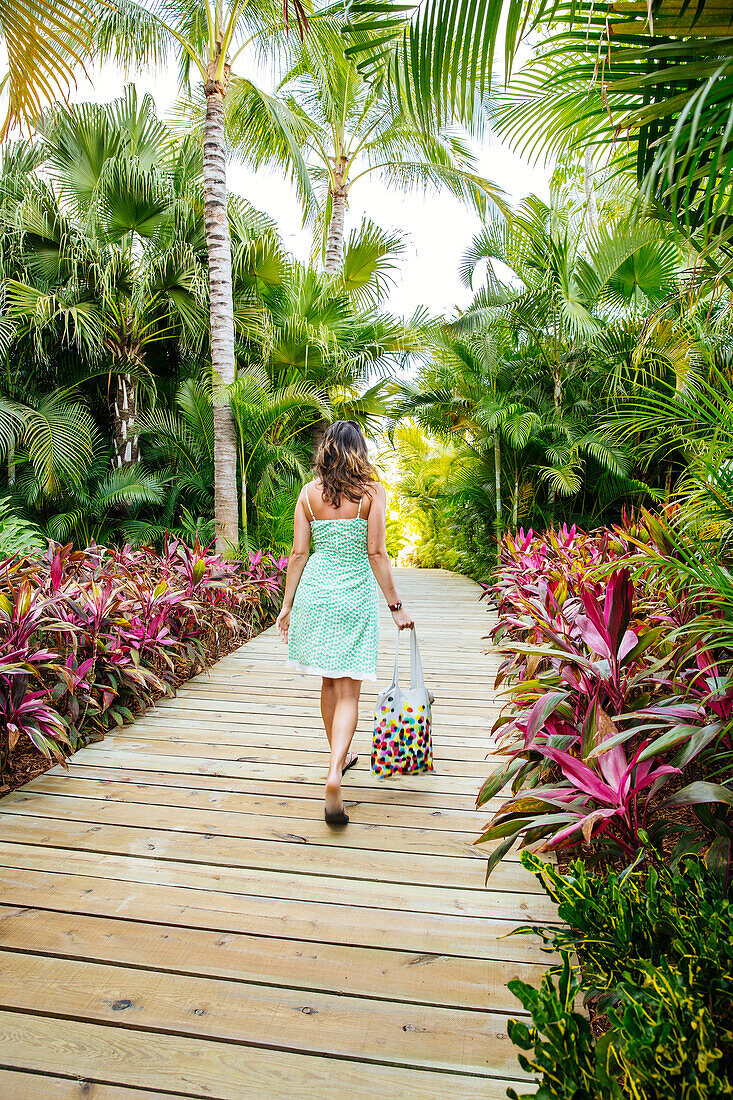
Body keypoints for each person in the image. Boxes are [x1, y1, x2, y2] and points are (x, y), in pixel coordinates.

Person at [276, 421, 414, 826]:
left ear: (327, 450)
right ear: (359, 451)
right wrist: (396, 607)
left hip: (316, 592)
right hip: (352, 594)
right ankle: (336, 769)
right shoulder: (370, 491)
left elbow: (299, 554)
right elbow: (376, 554)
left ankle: (337, 756)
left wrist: (287, 606)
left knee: (327, 683)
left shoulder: (307, 493)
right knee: (349, 691)